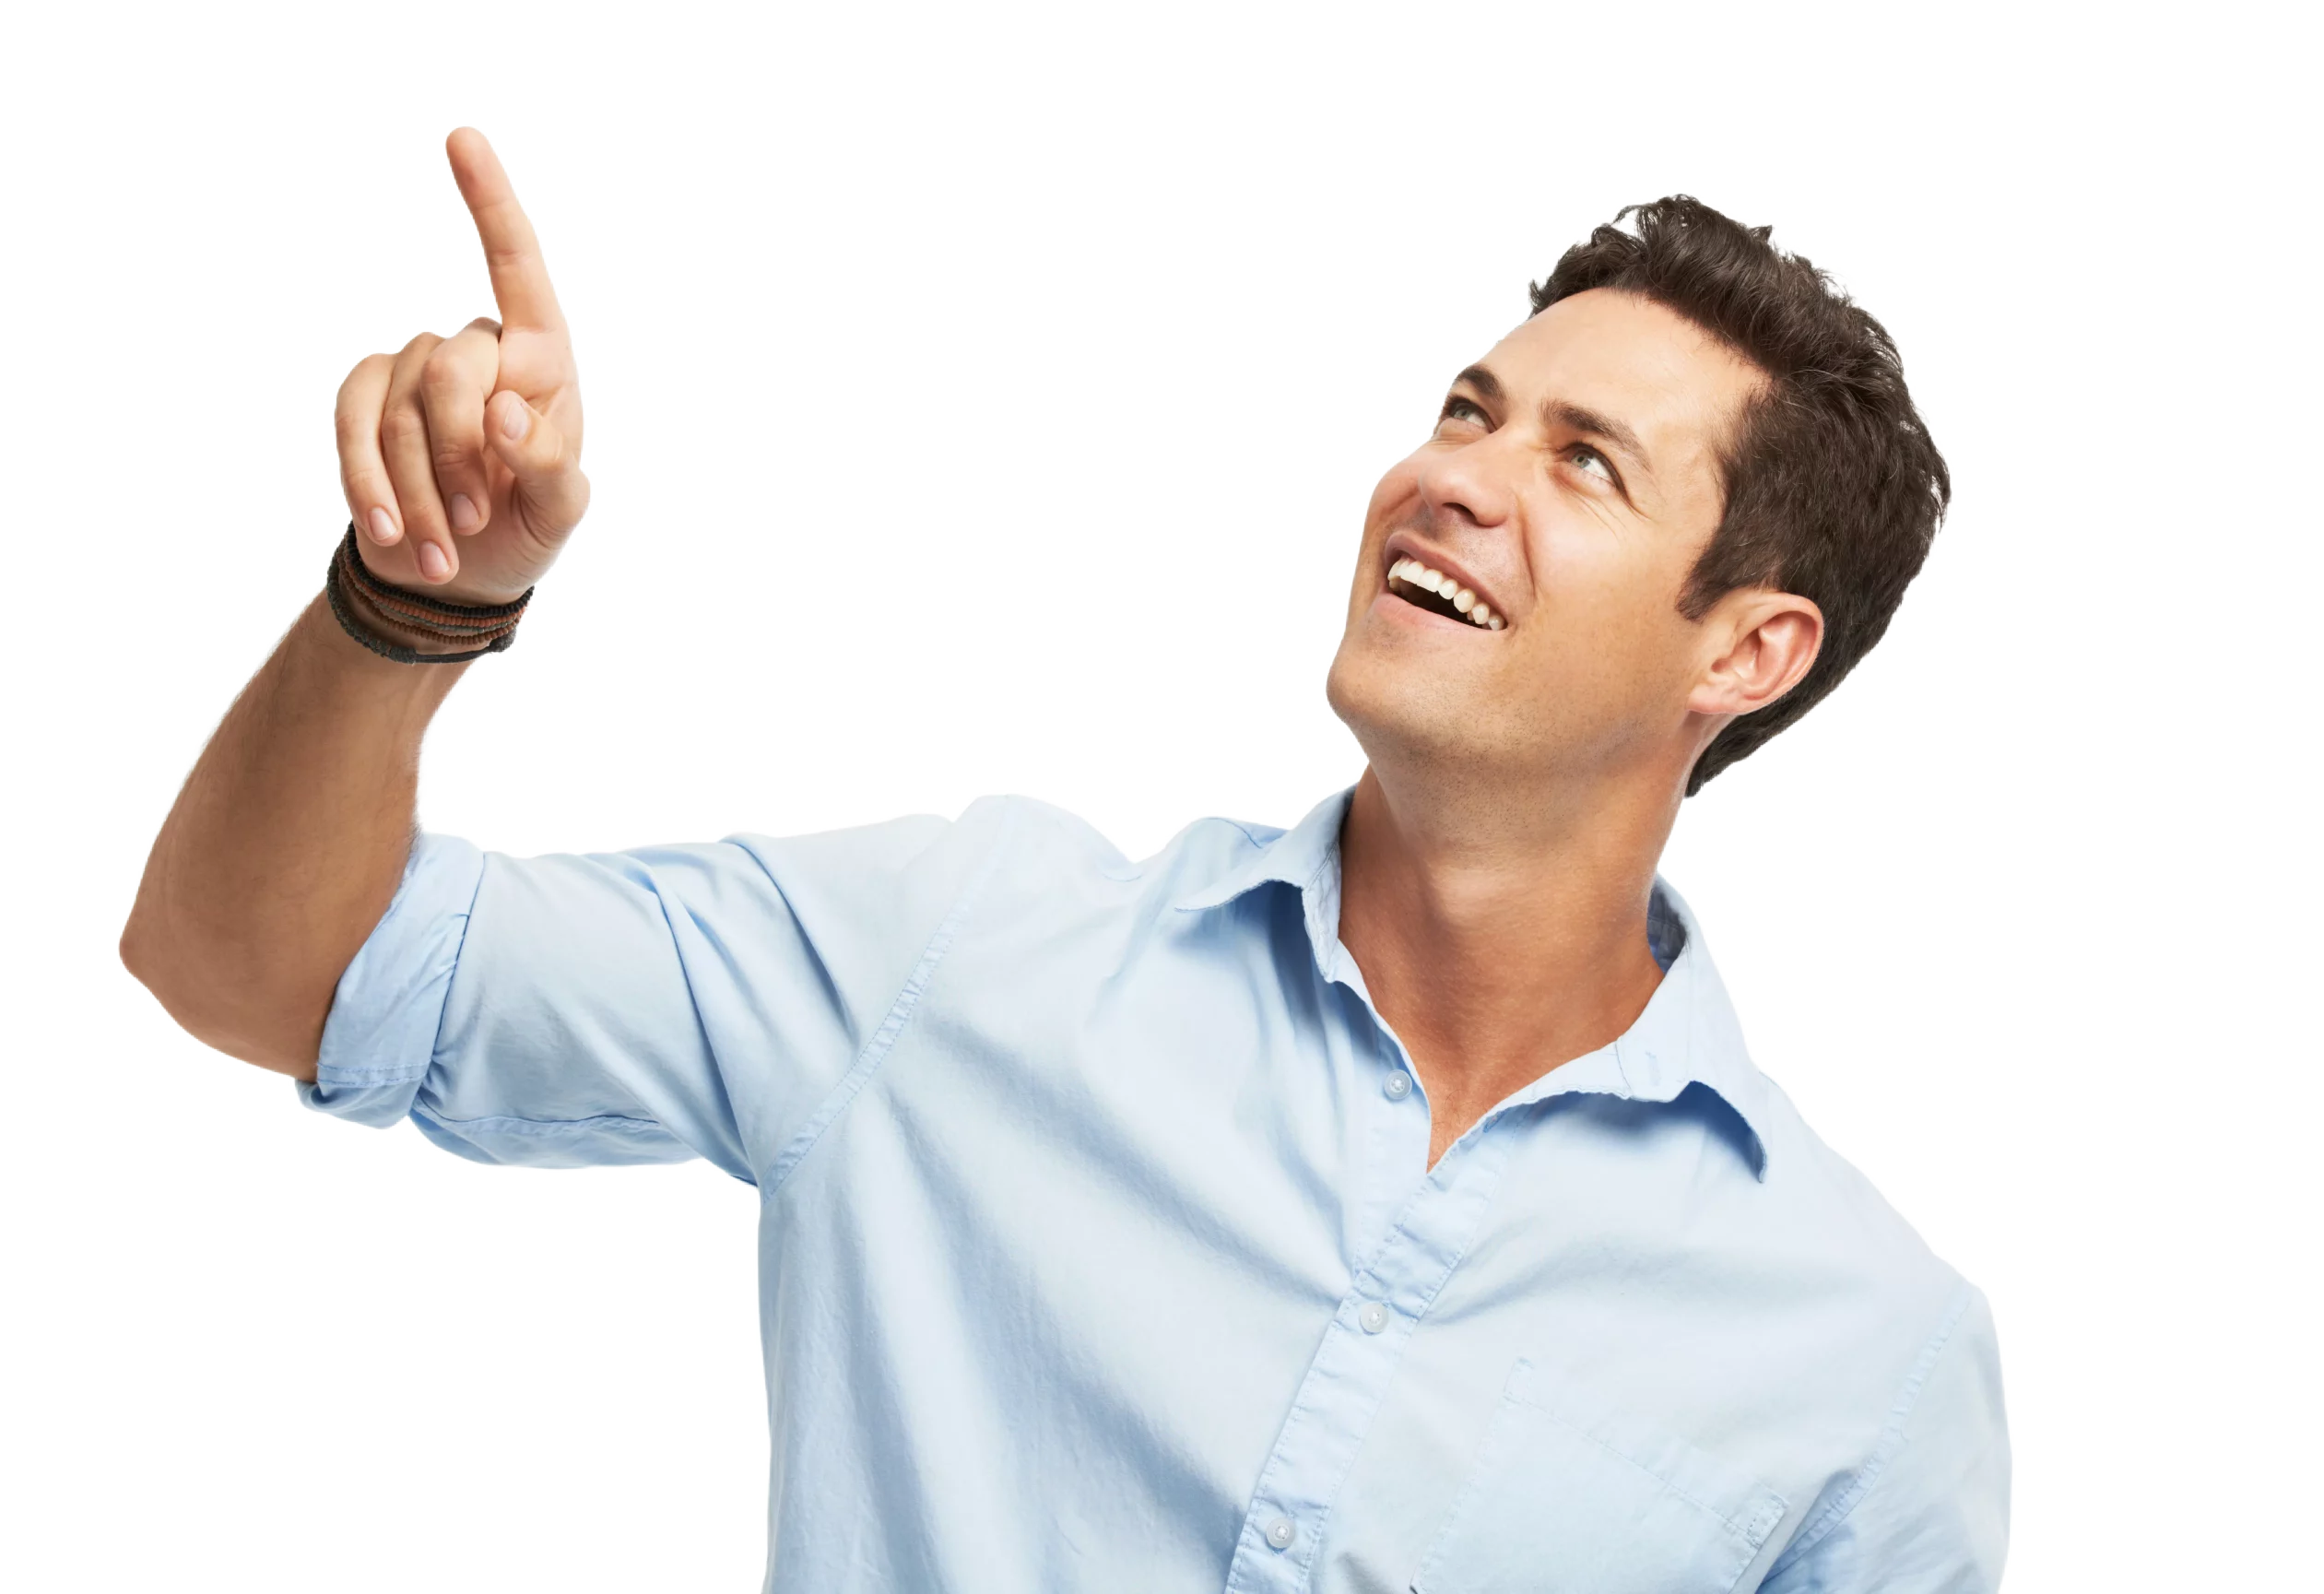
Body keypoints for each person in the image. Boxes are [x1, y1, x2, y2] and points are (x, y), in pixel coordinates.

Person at [119, 128, 2014, 1591]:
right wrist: (412, 607)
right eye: (1467, 412)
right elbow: (260, 965)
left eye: (1583, 463)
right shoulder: (960, 951)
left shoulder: (1866, 1351)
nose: (1450, 479)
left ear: (1745, 651)